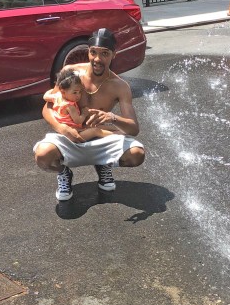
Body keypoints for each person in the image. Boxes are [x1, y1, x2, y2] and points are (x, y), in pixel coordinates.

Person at [34, 28, 146, 201]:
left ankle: (104, 164)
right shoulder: (71, 73)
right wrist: (61, 128)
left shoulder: (120, 86)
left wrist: (112, 118)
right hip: (70, 136)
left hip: (100, 139)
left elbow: (133, 128)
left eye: (104, 53)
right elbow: (46, 108)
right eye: (93, 52)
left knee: (136, 154)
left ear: (114, 55)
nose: (97, 59)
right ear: (88, 52)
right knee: (42, 155)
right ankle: (63, 173)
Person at [44, 67, 124, 142]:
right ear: (63, 91)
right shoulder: (69, 106)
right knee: (95, 131)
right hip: (74, 133)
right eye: (74, 92)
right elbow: (78, 120)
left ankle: (116, 129)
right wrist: (84, 114)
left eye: (80, 92)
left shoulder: (57, 96)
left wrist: (51, 91)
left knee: (93, 126)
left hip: (68, 130)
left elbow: (45, 97)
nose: (78, 95)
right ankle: (117, 135)